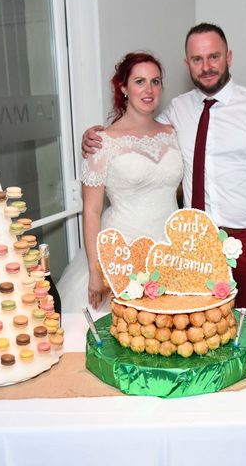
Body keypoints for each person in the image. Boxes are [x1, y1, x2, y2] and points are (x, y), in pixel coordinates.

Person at [82, 23, 246, 308]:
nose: (206, 66)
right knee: (196, 329)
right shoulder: (177, 110)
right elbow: (135, 134)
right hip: (188, 246)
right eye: (197, 60)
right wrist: (91, 139)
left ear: (229, 57)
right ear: (187, 64)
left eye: (214, 56)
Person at [59, 52, 183, 311]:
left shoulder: (172, 133)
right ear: (123, 87)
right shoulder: (103, 142)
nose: (148, 90)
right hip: (122, 254)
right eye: (139, 81)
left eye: (155, 81)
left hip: (170, 252)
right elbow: (91, 211)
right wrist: (95, 272)